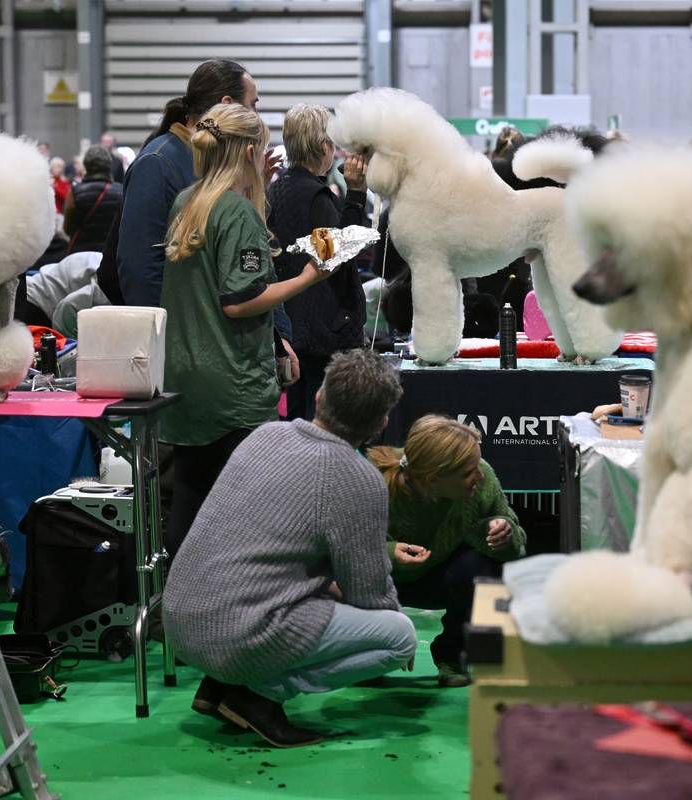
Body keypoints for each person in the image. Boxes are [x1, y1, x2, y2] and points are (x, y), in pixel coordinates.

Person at [166, 349, 413, 748]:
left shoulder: (265, 434)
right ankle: (259, 696)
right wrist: (388, 622)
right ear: (381, 424)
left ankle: (220, 687)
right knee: (399, 637)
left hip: (180, 621)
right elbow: (369, 594)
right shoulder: (358, 478)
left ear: (318, 397)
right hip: (237, 634)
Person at [160, 102, 330, 558]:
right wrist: (306, 278)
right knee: (246, 513)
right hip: (231, 383)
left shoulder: (187, 201)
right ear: (252, 150)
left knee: (191, 497)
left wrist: (276, 341)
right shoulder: (236, 212)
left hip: (184, 375)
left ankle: (183, 606)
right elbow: (239, 301)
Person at [367, 415, 525, 687]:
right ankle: (368, 653)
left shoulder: (483, 478)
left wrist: (504, 534)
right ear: (432, 480)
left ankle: (453, 655)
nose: (480, 475)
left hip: (440, 577)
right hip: (379, 583)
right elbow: (342, 552)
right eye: (467, 473)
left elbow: (518, 546)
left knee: (481, 569)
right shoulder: (372, 482)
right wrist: (391, 554)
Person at [114, 58, 264, 308]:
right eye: (252, 105)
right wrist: (170, 337)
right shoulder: (158, 164)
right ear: (227, 104)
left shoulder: (212, 166)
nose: (257, 116)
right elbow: (140, 268)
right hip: (184, 336)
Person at [267, 104, 370, 420]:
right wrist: (355, 193)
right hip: (323, 328)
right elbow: (336, 255)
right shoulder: (317, 197)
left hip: (290, 322)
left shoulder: (274, 189)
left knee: (296, 415)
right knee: (323, 417)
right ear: (324, 146)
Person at [62, 146, 122, 254]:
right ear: (109, 165)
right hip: (110, 255)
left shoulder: (75, 192)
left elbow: (67, 229)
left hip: (81, 253)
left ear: (86, 165)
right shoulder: (121, 192)